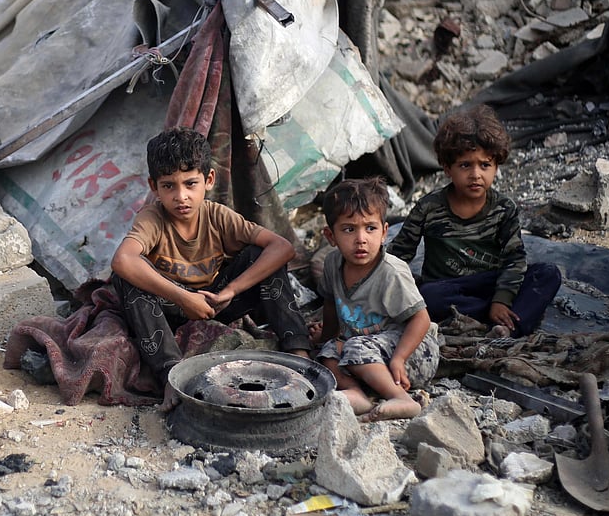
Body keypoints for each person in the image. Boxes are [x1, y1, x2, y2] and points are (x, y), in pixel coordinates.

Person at [110, 128, 311, 409]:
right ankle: (170, 375)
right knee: (126, 277)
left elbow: (282, 247)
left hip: (214, 301)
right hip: (167, 309)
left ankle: (299, 355)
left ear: (209, 180)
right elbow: (122, 260)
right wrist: (183, 298)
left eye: (190, 184)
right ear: (154, 187)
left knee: (262, 257)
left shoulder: (218, 216)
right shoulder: (152, 218)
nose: (181, 196)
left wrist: (230, 290)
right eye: (169, 186)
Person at [388, 104, 561, 337]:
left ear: (496, 166)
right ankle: (497, 320)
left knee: (548, 273)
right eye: (465, 165)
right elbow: (399, 255)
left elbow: (514, 260)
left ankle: (506, 327)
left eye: (485, 165)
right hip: (447, 289)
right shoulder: (428, 208)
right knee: (427, 295)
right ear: (448, 168)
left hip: (491, 284)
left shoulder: (503, 209)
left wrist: (502, 299)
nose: (476, 174)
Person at [309, 177, 438, 421]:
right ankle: (356, 394)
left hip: (413, 352)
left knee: (354, 346)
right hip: (369, 352)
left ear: (384, 232)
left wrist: (399, 358)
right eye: (349, 229)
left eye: (370, 228)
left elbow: (421, 319)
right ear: (330, 236)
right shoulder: (332, 263)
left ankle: (401, 398)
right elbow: (330, 303)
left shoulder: (391, 272)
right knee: (326, 353)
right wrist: (325, 337)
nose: (361, 239)